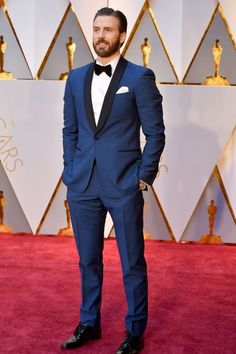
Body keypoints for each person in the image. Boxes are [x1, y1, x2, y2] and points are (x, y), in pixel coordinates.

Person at [61, 7, 165, 354]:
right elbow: (70, 130)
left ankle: (134, 331)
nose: (100, 36)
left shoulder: (139, 78)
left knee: (132, 261)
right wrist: (69, 170)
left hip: (123, 184)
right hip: (83, 185)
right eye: (96, 29)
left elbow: (155, 133)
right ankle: (89, 322)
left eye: (108, 30)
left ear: (122, 36)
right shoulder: (75, 79)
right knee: (87, 259)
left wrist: (143, 177)